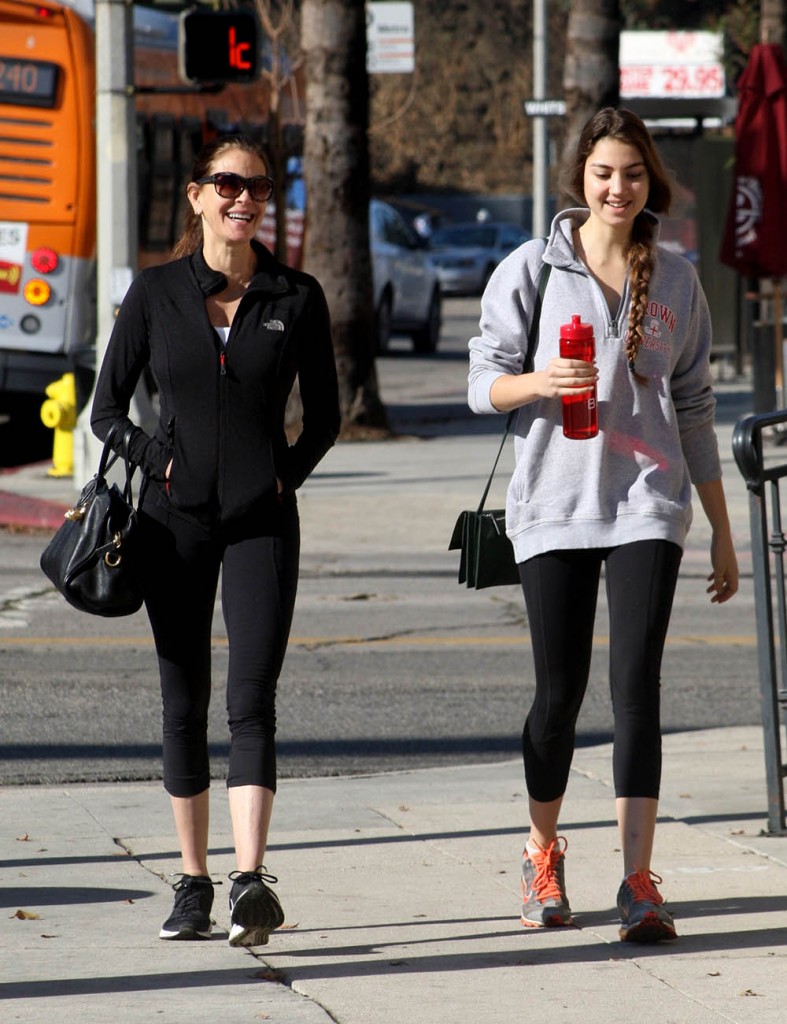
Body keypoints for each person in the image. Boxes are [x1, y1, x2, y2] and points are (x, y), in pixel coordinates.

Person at [468, 107, 738, 943]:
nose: (616, 187)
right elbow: (482, 384)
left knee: (635, 693)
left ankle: (635, 881)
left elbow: (692, 408)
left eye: (629, 173)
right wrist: (541, 380)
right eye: (601, 174)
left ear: (647, 180)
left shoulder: (679, 281)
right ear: (580, 181)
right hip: (553, 504)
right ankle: (541, 849)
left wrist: (721, 528)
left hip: (648, 506)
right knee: (558, 697)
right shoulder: (532, 270)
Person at [91, 135, 340, 947]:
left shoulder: (293, 294)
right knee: (183, 702)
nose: (244, 199)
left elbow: (328, 417)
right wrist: (161, 460)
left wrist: (284, 474)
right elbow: (107, 412)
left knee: (252, 702)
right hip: (173, 524)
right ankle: (192, 882)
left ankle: (249, 881)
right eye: (227, 184)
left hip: (261, 524)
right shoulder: (156, 292)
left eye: (258, 187)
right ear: (196, 195)